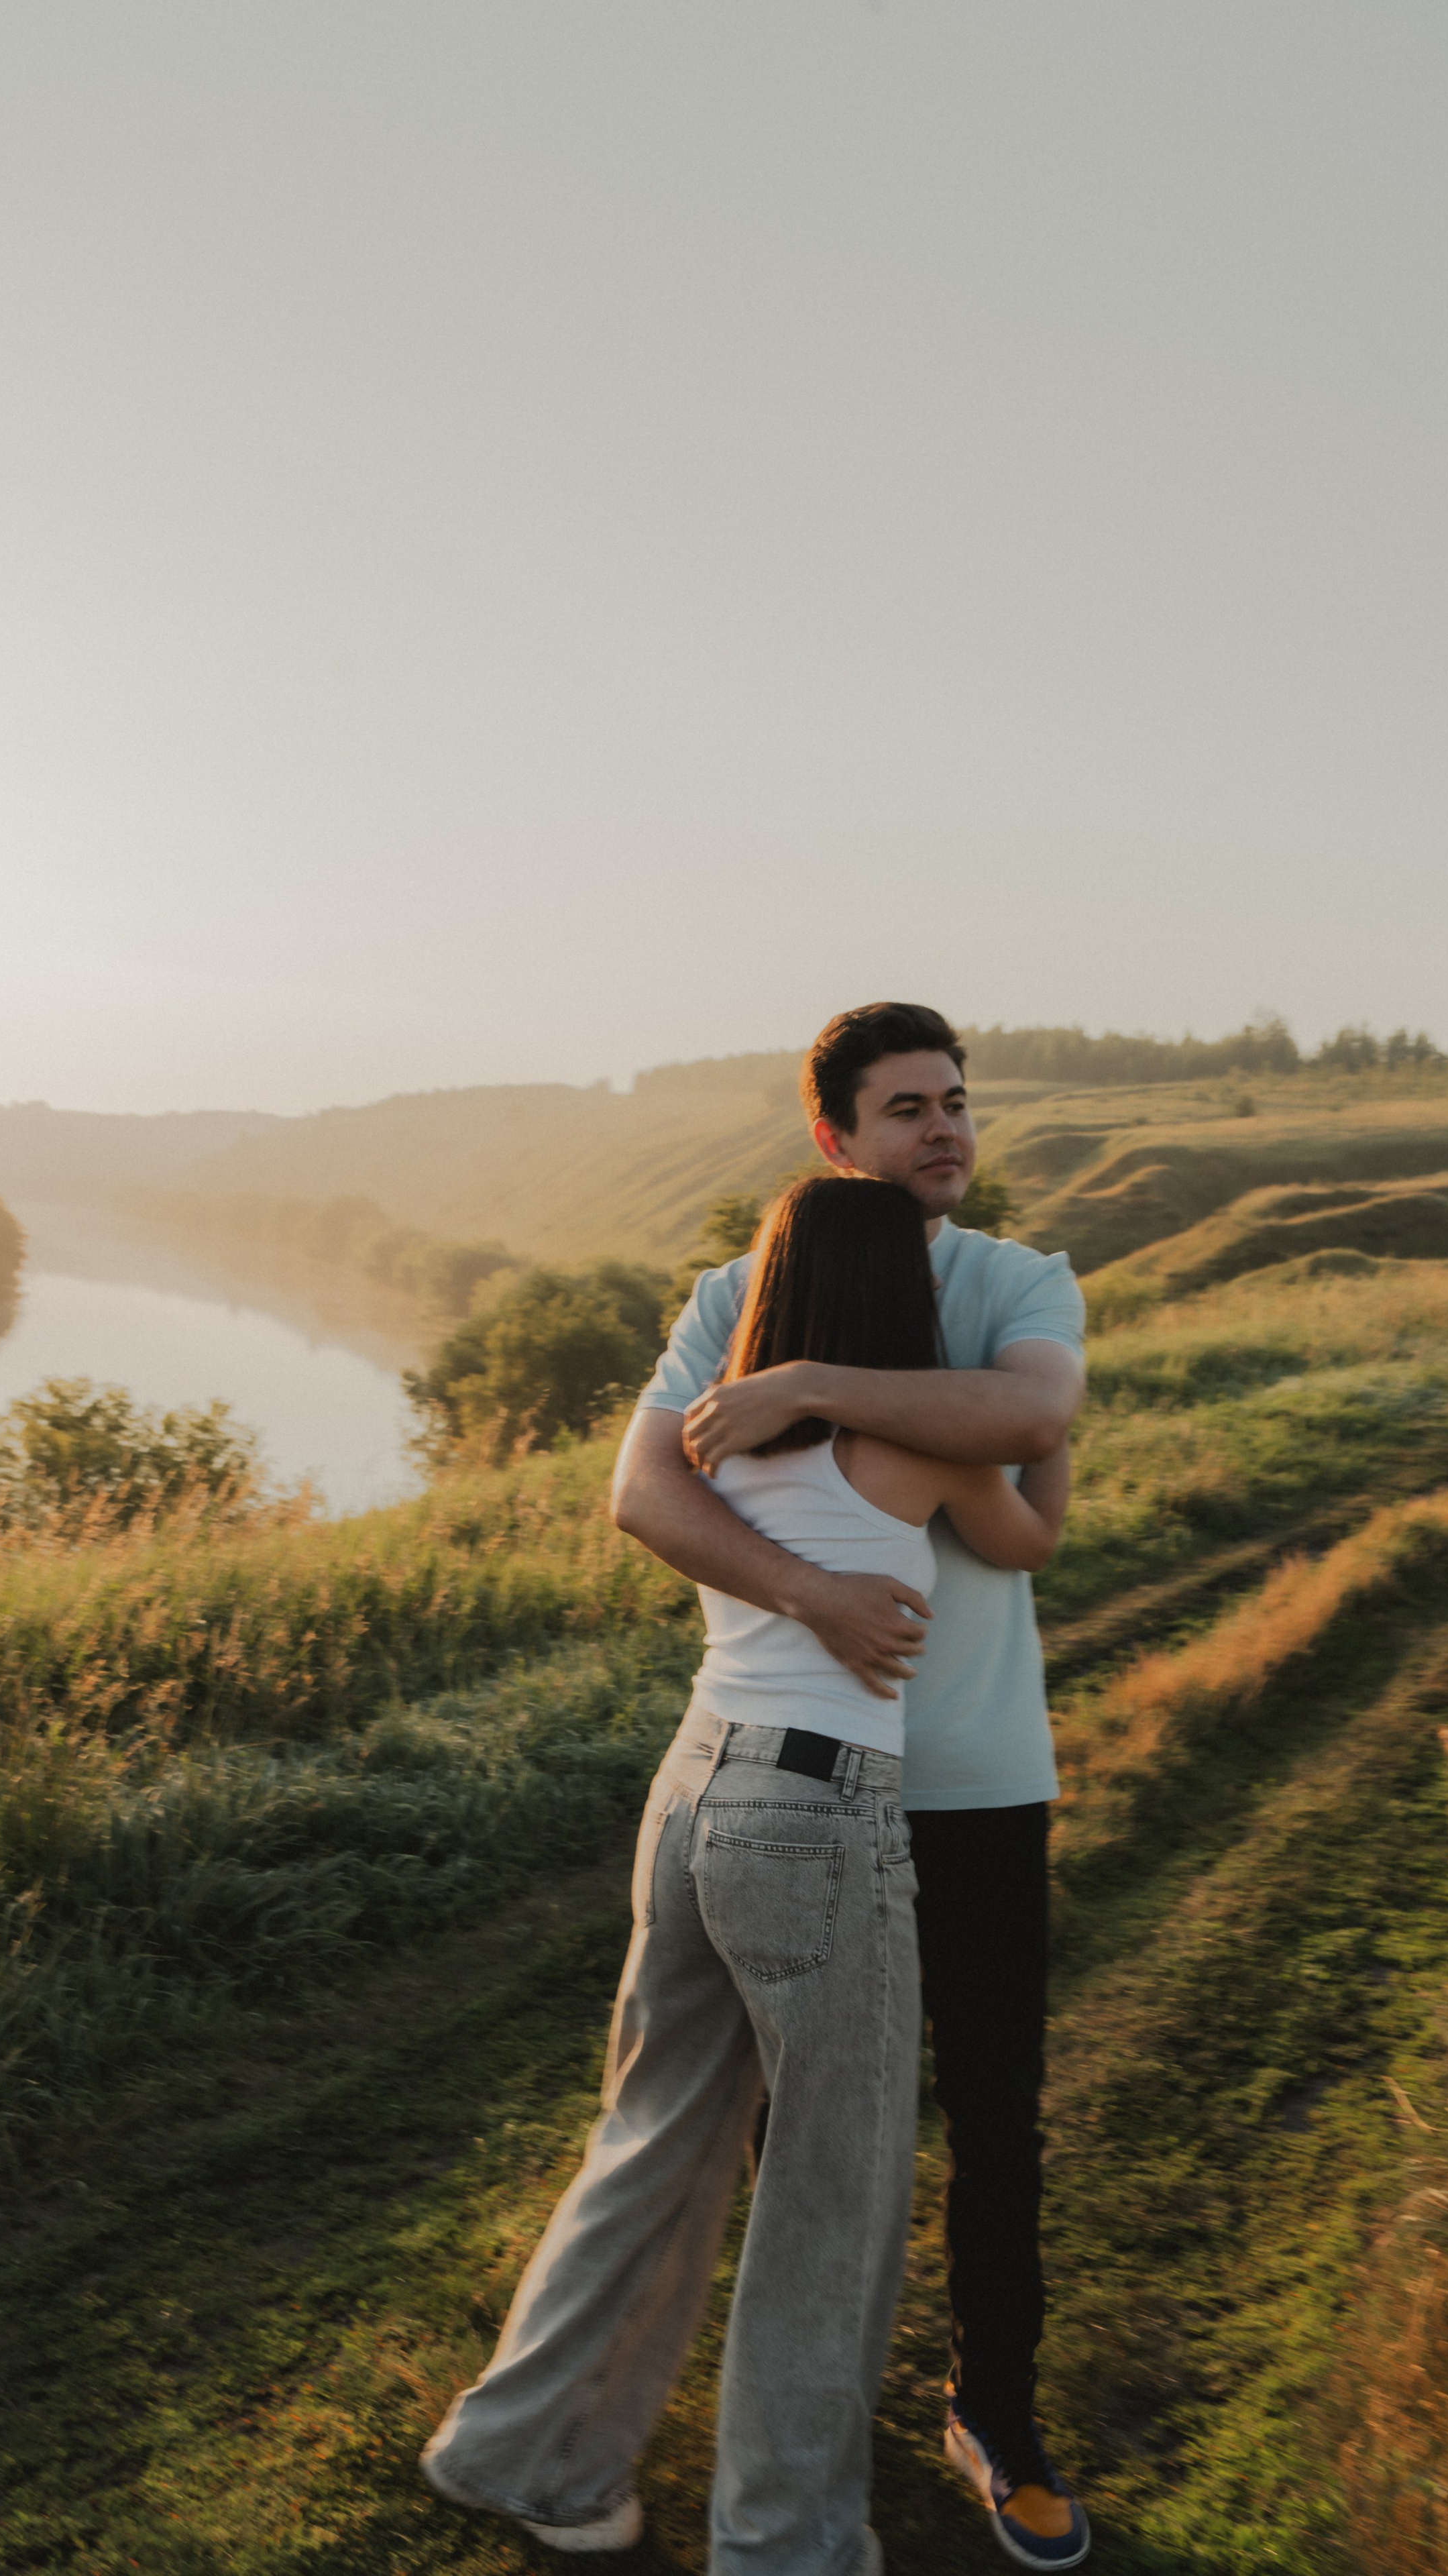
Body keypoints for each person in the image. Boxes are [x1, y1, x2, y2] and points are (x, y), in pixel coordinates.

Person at [423, 1175, 1065, 2575]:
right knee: (831, 2196)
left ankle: (519, 2450)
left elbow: (639, 1496)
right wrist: (1053, 1441)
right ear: (889, 1298)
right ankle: (785, 2540)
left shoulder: (714, 1447)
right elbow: (1028, 1518)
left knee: (651, 2135)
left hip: (696, 1779)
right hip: (821, 1814)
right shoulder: (916, 1450)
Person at [613, 1002, 1090, 2572]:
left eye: (955, 1102)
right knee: (792, 2127)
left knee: (995, 2113)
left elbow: (1027, 1418)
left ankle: (994, 2416)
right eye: (904, 1109)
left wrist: (809, 1377)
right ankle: (806, 2419)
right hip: (805, 1785)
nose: (943, 1129)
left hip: (974, 1781)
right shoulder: (725, 1293)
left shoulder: (1013, 1279)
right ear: (835, 1136)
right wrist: (812, 1594)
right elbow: (643, 1492)